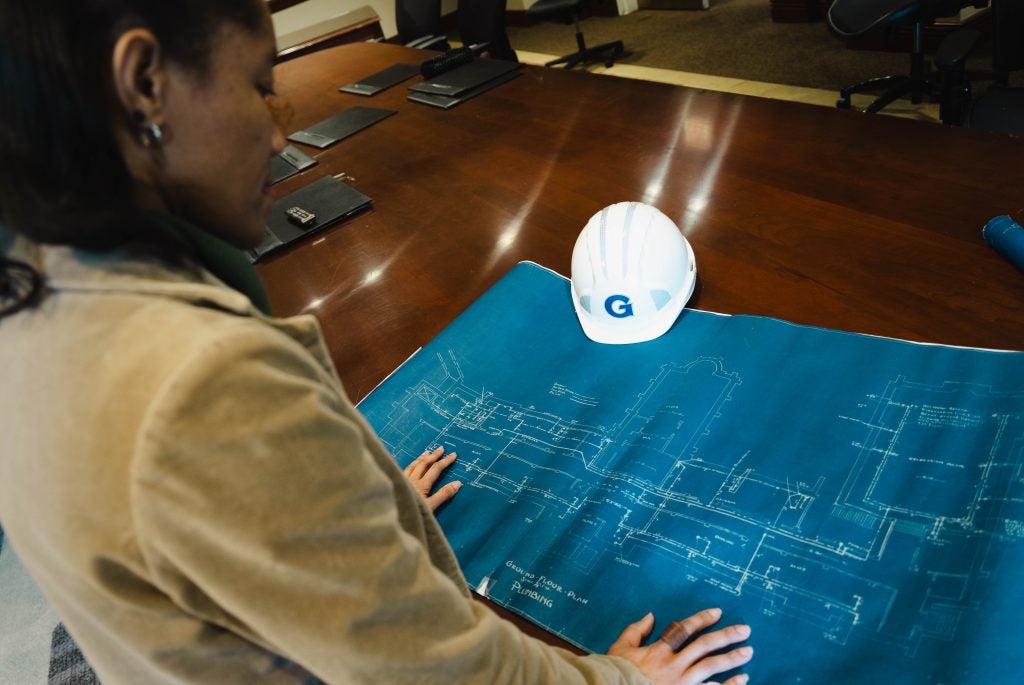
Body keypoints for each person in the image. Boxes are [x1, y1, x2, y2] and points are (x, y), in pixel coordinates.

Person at [0, 1, 754, 683]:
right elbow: (448, 675)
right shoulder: (202, 382)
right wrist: (625, 681)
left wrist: (329, 515)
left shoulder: (32, 275)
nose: (278, 133)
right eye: (260, 85)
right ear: (144, 84)